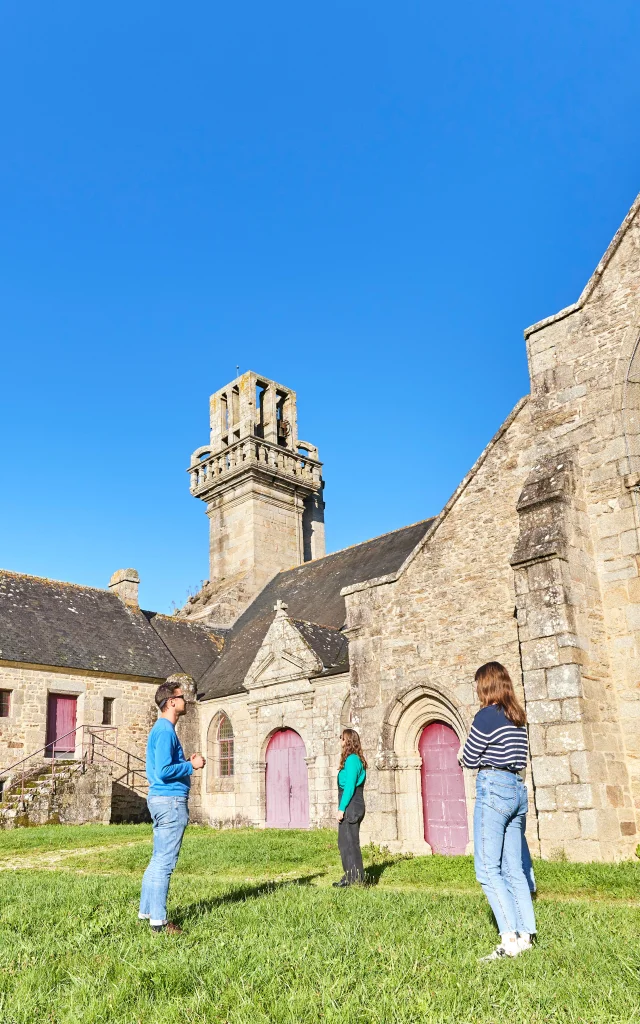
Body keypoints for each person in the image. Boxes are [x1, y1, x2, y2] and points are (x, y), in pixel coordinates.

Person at [461, 661, 536, 960]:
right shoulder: (517, 717)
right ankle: (526, 935)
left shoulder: (486, 716)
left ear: (486, 686)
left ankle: (508, 940)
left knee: (488, 869)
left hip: (494, 788)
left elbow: (468, 756)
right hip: (517, 789)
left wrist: (462, 753)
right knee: (514, 868)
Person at [138, 676, 205, 934]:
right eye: (180, 697)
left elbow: (162, 767)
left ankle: (146, 913)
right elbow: (165, 771)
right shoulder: (165, 730)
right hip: (171, 800)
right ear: (170, 702)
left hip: (160, 798)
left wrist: (185, 760)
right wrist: (192, 765)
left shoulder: (160, 730)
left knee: (157, 859)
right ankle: (159, 922)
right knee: (165, 861)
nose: (184, 700)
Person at [334, 728, 367, 887]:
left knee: (349, 842)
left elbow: (349, 787)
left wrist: (342, 808)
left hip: (351, 803)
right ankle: (350, 876)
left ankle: (355, 879)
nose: (340, 742)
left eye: (342, 738)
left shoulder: (352, 760)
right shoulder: (353, 759)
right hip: (352, 802)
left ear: (347, 741)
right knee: (344, 842)